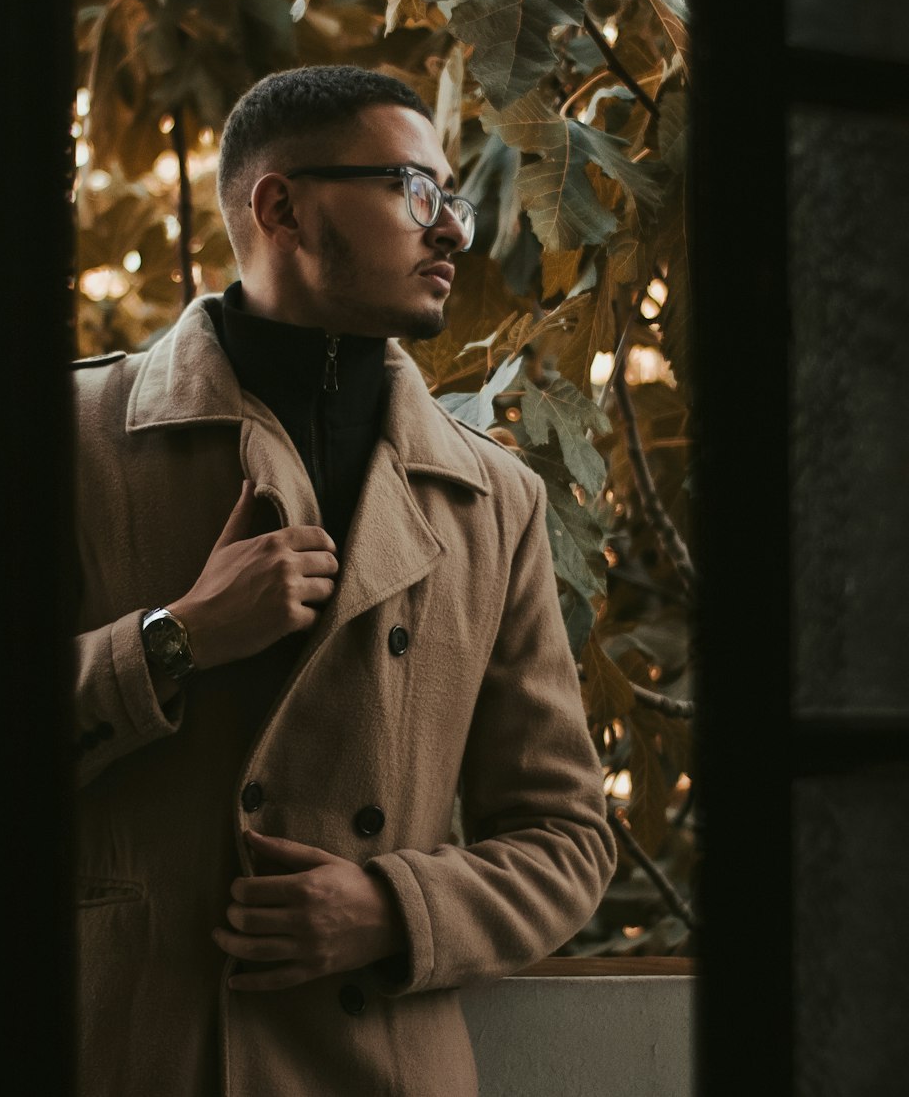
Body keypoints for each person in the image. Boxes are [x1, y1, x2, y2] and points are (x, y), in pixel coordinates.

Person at [71, 65, 615, 1097]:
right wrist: (173, 638)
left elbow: (567, 838)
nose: (451, 229)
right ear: (282, 205)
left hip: (383, 1068)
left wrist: (395, 907)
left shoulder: (493, 499)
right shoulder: (70, 443)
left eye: (450, 200)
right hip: (137, 1053)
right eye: (417, 192)